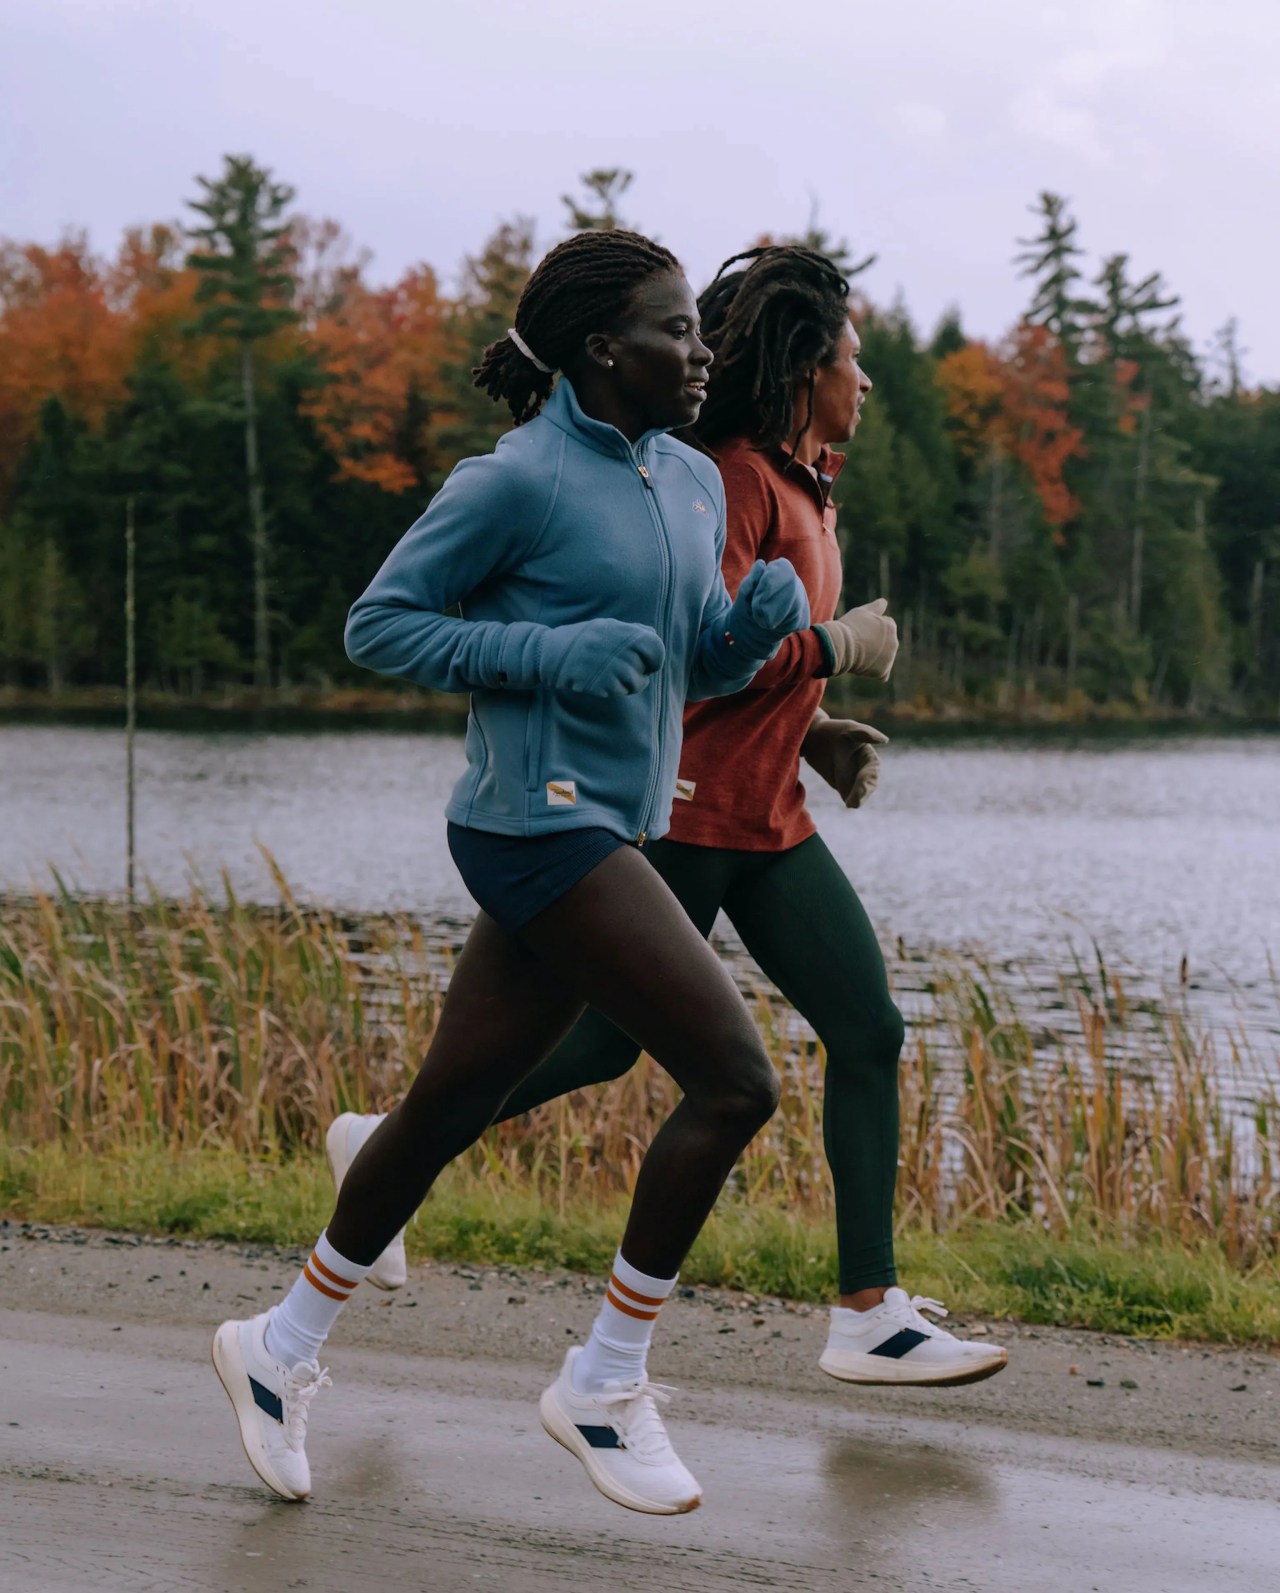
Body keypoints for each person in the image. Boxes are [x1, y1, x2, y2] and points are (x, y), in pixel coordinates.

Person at [211, 228, 811, 1516]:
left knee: (448, 1105)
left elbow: (678, 663)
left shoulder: (687, 480)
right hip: (532, 821)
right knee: (733, 1081)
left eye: (696, 331)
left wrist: (745, 638)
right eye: (673, 330)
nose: (700, 352)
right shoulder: (515, 481)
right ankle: (604, 1381)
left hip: (610, 824)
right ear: (602, 350)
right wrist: (548, 655)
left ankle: (278, 1344)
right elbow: (380, 626)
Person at [332, 245, 1007, 1388]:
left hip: (765, 812)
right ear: (802, 367)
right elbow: (672, 656)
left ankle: (868, 1309)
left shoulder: (786, 483)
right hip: (679, 806)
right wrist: (830, 649)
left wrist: (813, 726)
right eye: (849, 358)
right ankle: (405, 1164)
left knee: (863, 1029)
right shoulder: (724, 478)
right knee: (630, 1050)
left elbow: (716, 643)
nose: (864, 379)